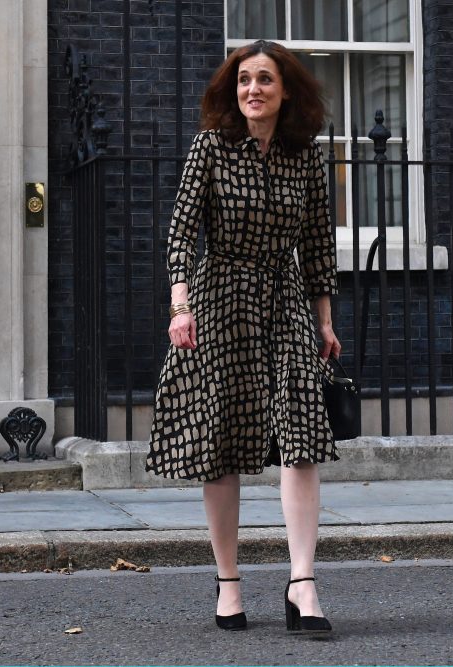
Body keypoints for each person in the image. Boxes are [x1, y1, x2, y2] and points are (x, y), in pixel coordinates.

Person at [145, 40, 341, 636]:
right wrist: (180, 307)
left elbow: (318, 246)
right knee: (221, 439)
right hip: (219, 296)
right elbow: (180, 233)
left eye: (265, 80)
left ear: (287, 91)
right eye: (243, 81)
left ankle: (302, 582)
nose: (252, 90)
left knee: (302, 428)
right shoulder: (210, 147)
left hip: (284, 299)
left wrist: (325, 321)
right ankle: (229, 582)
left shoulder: (305, 156)